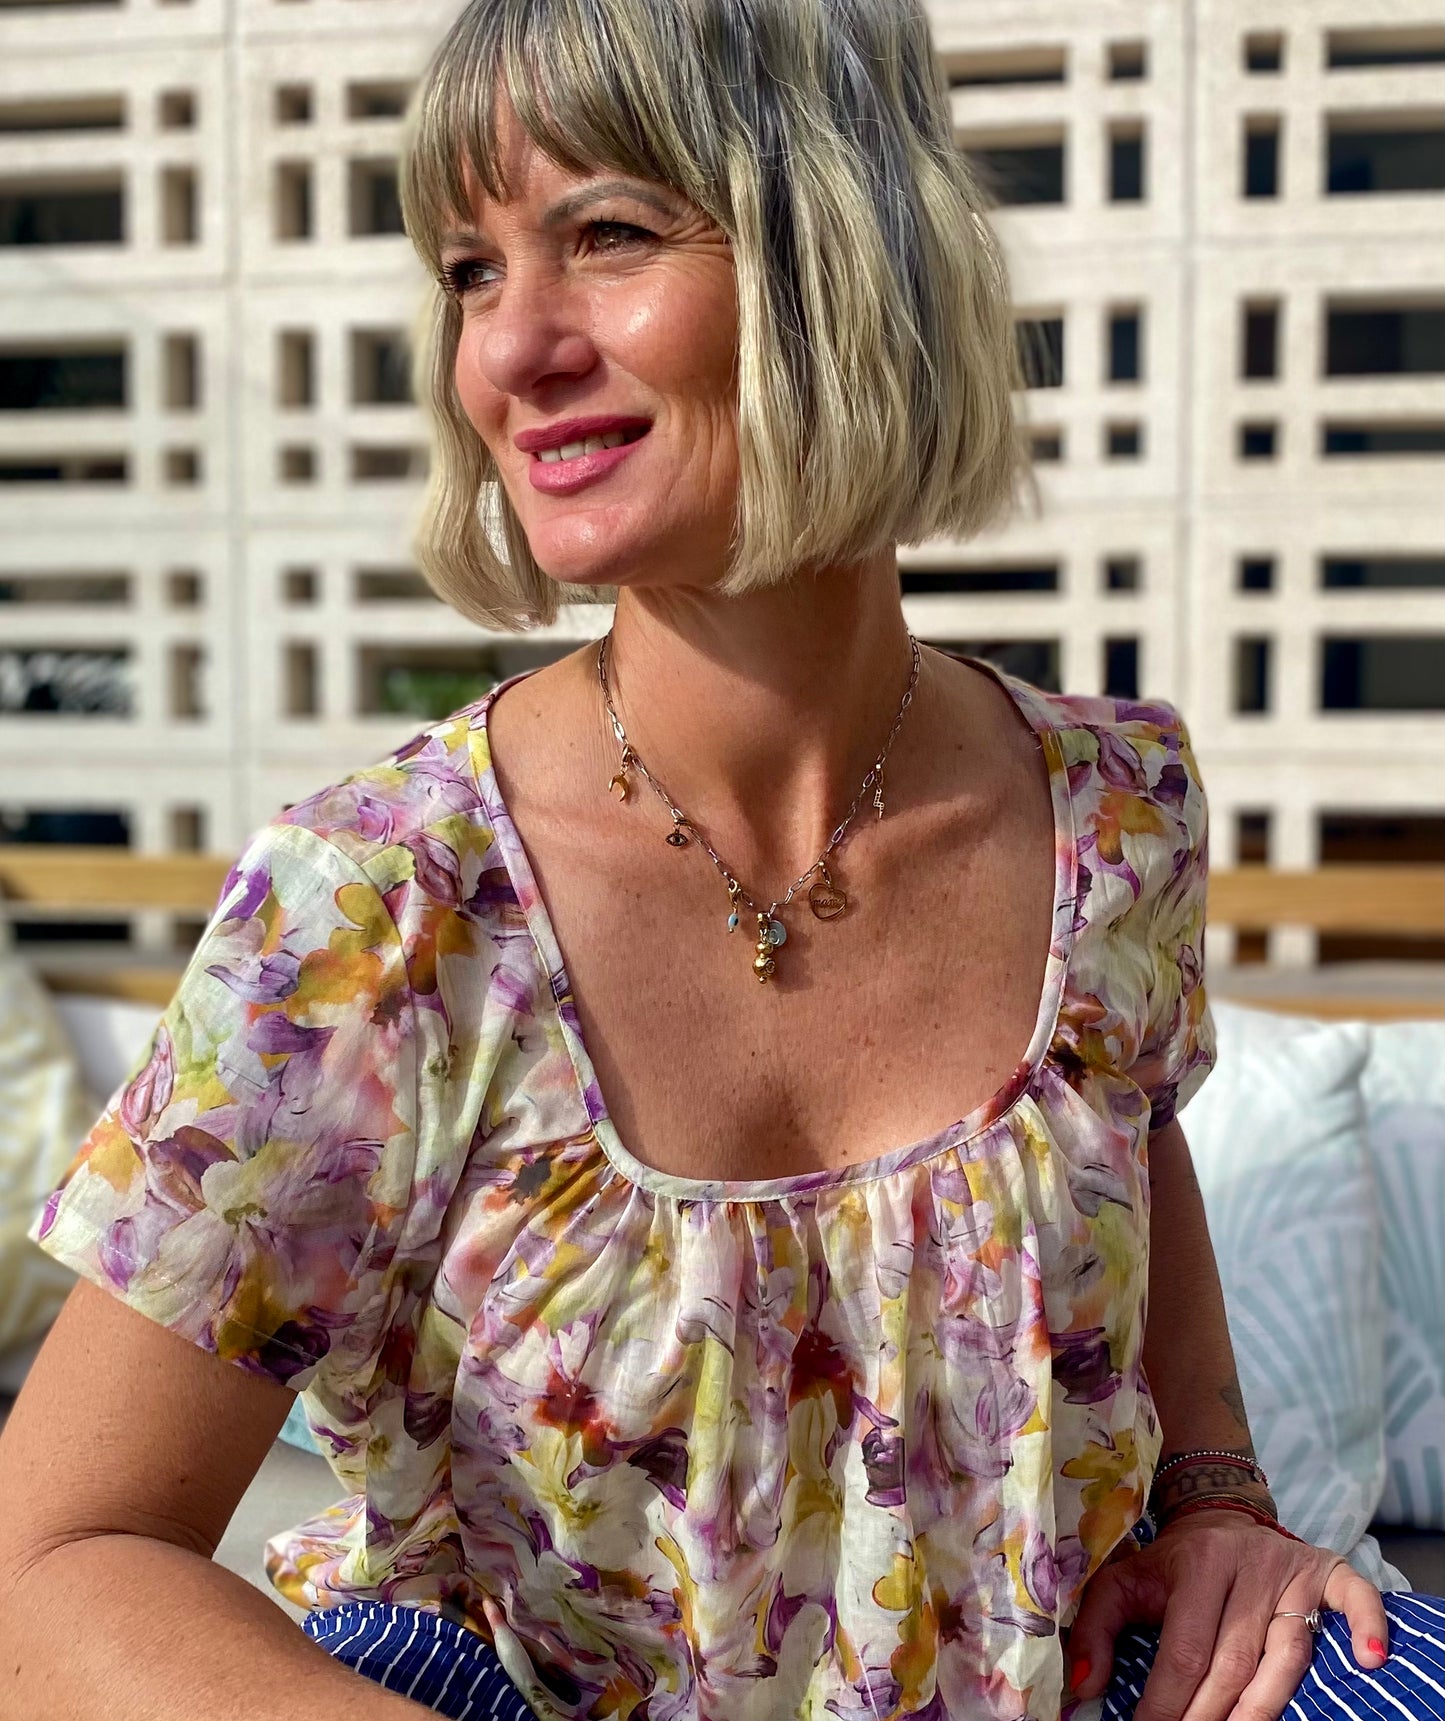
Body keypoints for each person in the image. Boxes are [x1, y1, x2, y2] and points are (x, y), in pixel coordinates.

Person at [0, 2, 1439, 1718]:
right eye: (469, 270)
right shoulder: (384, 906)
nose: (509, 347)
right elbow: (53, 1559)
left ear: (850, 254)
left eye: (606, 235)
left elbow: (1130, 1151)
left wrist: (1214, 1498)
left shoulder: (1110, 818)